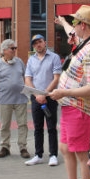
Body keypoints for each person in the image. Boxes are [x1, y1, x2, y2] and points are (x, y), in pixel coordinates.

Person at [48, 5, 90, 179]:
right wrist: (63, 22)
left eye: (74, 23)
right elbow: (70, 33)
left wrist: (63, 93)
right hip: (71, 107)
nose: (73, 28)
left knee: (82, 154)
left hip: (80, 108)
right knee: (65, 148)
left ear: (83, 25)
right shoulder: (84, 42)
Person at [24, 34, 62, 166]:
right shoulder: (31, 60)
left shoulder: (54, 57)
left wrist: (44, 95)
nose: (38, 45)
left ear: (45, 42)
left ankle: (53, 155)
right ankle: (38, 155)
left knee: (51, 127)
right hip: (36, 98)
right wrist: (37, 95)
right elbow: (28, 79)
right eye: (35, 43)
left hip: (50, 97)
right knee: (37, 127)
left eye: (40, 42)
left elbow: (56, 78)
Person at [0, 39, 30, 158]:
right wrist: (3, 91)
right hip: (5, 99)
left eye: (15, 48)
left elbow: (25, 77)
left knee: (22, 124)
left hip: (20, 98)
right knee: (5, 124)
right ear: (4, 50)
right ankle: (5, 146)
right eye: (12, 48)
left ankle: (23, 147)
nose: (14, 51)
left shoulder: (19, 62)